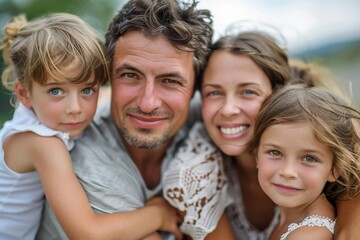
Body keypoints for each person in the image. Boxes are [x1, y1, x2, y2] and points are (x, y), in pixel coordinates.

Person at [36, 0, 213, 239]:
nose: (147, 103)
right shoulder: (86, 167)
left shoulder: (208, 116)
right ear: (108, 77)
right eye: (130, 75)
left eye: (170, 81)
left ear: (195, 90)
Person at [0, 13, 181, 240]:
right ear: (24, 94)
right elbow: (87, 233)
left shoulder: (33, 115)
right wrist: (158, 215)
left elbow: (104, 95)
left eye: (86, 90)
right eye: (56, 91)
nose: (75, 108)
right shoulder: (43, 144)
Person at [164, 31, 290, 239]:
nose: (228, 109)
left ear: (279, 96)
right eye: (214, 93)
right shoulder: (198, 167)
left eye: (248, 92)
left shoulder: (314, 147)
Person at [251, 84, 360, 239]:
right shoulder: (287, 210)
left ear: (334, 169)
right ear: (256, 157)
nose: (288, 172)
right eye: (275, 152)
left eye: (309, 158)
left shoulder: (309, 235)